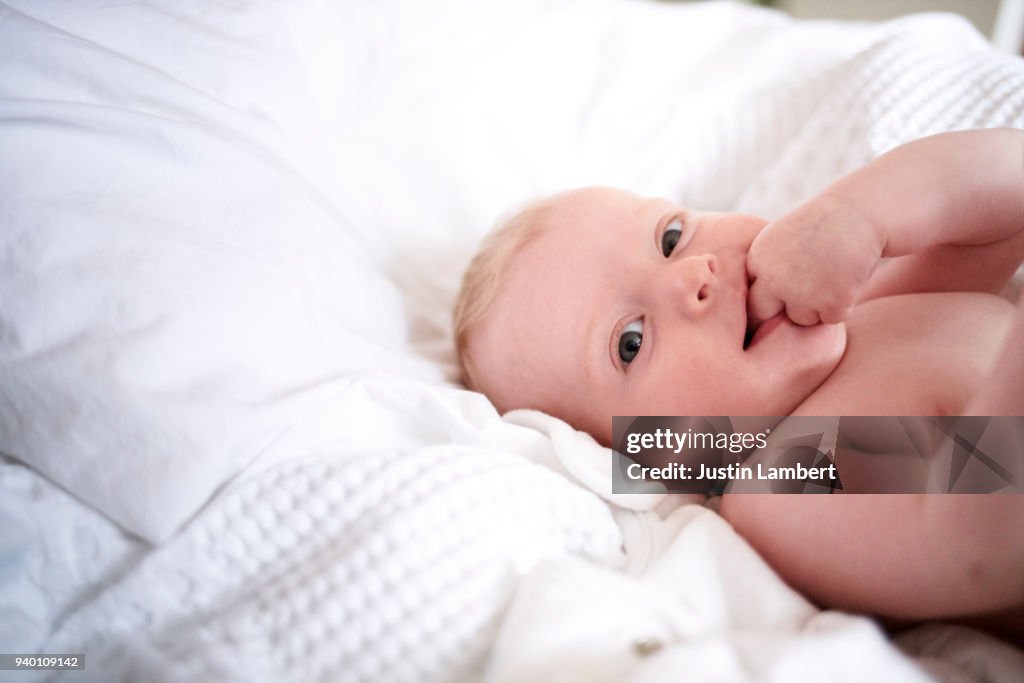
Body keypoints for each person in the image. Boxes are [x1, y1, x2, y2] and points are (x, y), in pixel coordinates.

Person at [453, 128, 1024, 644]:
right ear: (648, 457)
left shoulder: (870, 307)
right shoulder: (783, 474)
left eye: (670, 237)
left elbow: (1011, 198)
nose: (693, 274)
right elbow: (983, 526)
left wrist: (862, 211)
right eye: (631, 341)